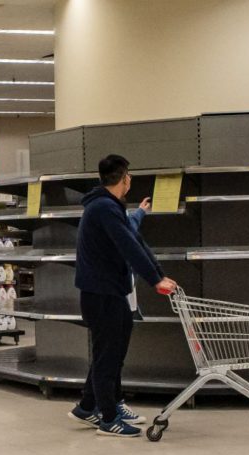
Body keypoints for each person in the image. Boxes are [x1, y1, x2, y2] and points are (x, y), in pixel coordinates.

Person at [68, 154, 179, 438]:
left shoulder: (109, 206)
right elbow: (129, 246)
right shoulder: (104, 208)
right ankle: (108, 418)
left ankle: (90, 405)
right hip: (101, 293)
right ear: (124, 178)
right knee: (109, 355)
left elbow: (133, 237)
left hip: (110, 290)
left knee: (112, 351)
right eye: (129, 175)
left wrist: (158, 272)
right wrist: (155, 280)